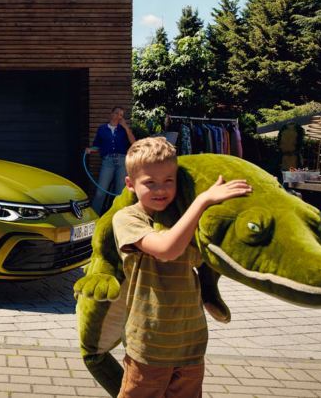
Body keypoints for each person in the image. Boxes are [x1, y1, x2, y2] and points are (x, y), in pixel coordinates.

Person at [112, 137, 252, 398]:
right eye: (149, 182)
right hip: (149, 346)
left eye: (169, 180)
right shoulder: (128, 218)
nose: (160, 189)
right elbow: (167, 249)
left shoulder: (183, 218)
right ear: (130, 184)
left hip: (191, 344)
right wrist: (203, 202)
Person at [87, 106, 136, 214]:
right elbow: (97, 145)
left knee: (119, 192)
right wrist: (90, 149)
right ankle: (94, 217)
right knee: (100, 192)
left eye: (121, 115)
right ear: (111, 113)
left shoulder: (124, 129)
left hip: (122, 161)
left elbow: (133, 142)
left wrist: (126, 127)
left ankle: (117, 217)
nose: (119, 116)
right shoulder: (102, 129)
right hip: (107, 161)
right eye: (117, 113)